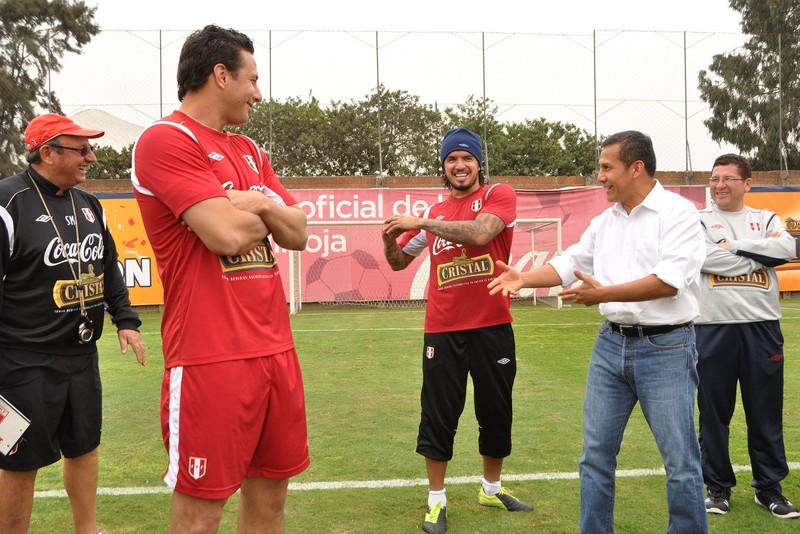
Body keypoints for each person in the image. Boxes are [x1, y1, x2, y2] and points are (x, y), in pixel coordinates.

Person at [131, 25, 310, 533]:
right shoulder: (166, 139)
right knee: (200, 514)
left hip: (277, 350)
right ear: (220, 75)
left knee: (270, 504)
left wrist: (249, 199)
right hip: (211, 357)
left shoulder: (250, 150)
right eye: (253, 79)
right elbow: (226, 236)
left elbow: (298, 232)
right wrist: (264, 206)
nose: (258, 92)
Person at [488, 130, 709, 533]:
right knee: (595, 458)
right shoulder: (605, 220)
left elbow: (669, 281)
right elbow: (570, 261)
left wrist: (604, 293)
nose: (600, 175)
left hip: (667, 348)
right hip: (611, 346)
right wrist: (524, 278)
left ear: (636, 167)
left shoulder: (679, 214)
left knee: (680, 462)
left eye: (607, 167)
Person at [0, 113, 147, 534]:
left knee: (85, 448)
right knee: (18, 460)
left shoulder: (89, 204)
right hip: (22, 362)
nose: (92, 157)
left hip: (81, 356)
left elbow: (107, 267)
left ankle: (88, 529)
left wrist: (126, 320)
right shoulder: (8, 203)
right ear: (47, 152)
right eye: (81, 149)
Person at [382, 127, 532, 534]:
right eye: (452, 159)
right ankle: (435, 501)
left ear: (479, 163)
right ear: (443, 167)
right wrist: (389, 240)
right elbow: (398, 262)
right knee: (439, 413)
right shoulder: (436, 215)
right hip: (443, 330)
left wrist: (424, 221)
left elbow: (482, 232)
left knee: (496, 410)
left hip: (493, 325)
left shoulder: (499, 194)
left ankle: (491, 487)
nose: (460, 165)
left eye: (466, 158)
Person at [695, 154, 799, 519]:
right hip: (712, 328)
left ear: (747, 183)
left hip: (762, 328)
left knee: (765, 412)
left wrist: (733, 247)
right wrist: (758, 253)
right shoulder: (698, 222)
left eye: (727, 178)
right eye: (714, 178)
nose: (719, 185)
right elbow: (703, 258)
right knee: (713, 414)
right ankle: (717, 487)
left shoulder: (767, 218)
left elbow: (786, 249)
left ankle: (769, 489)